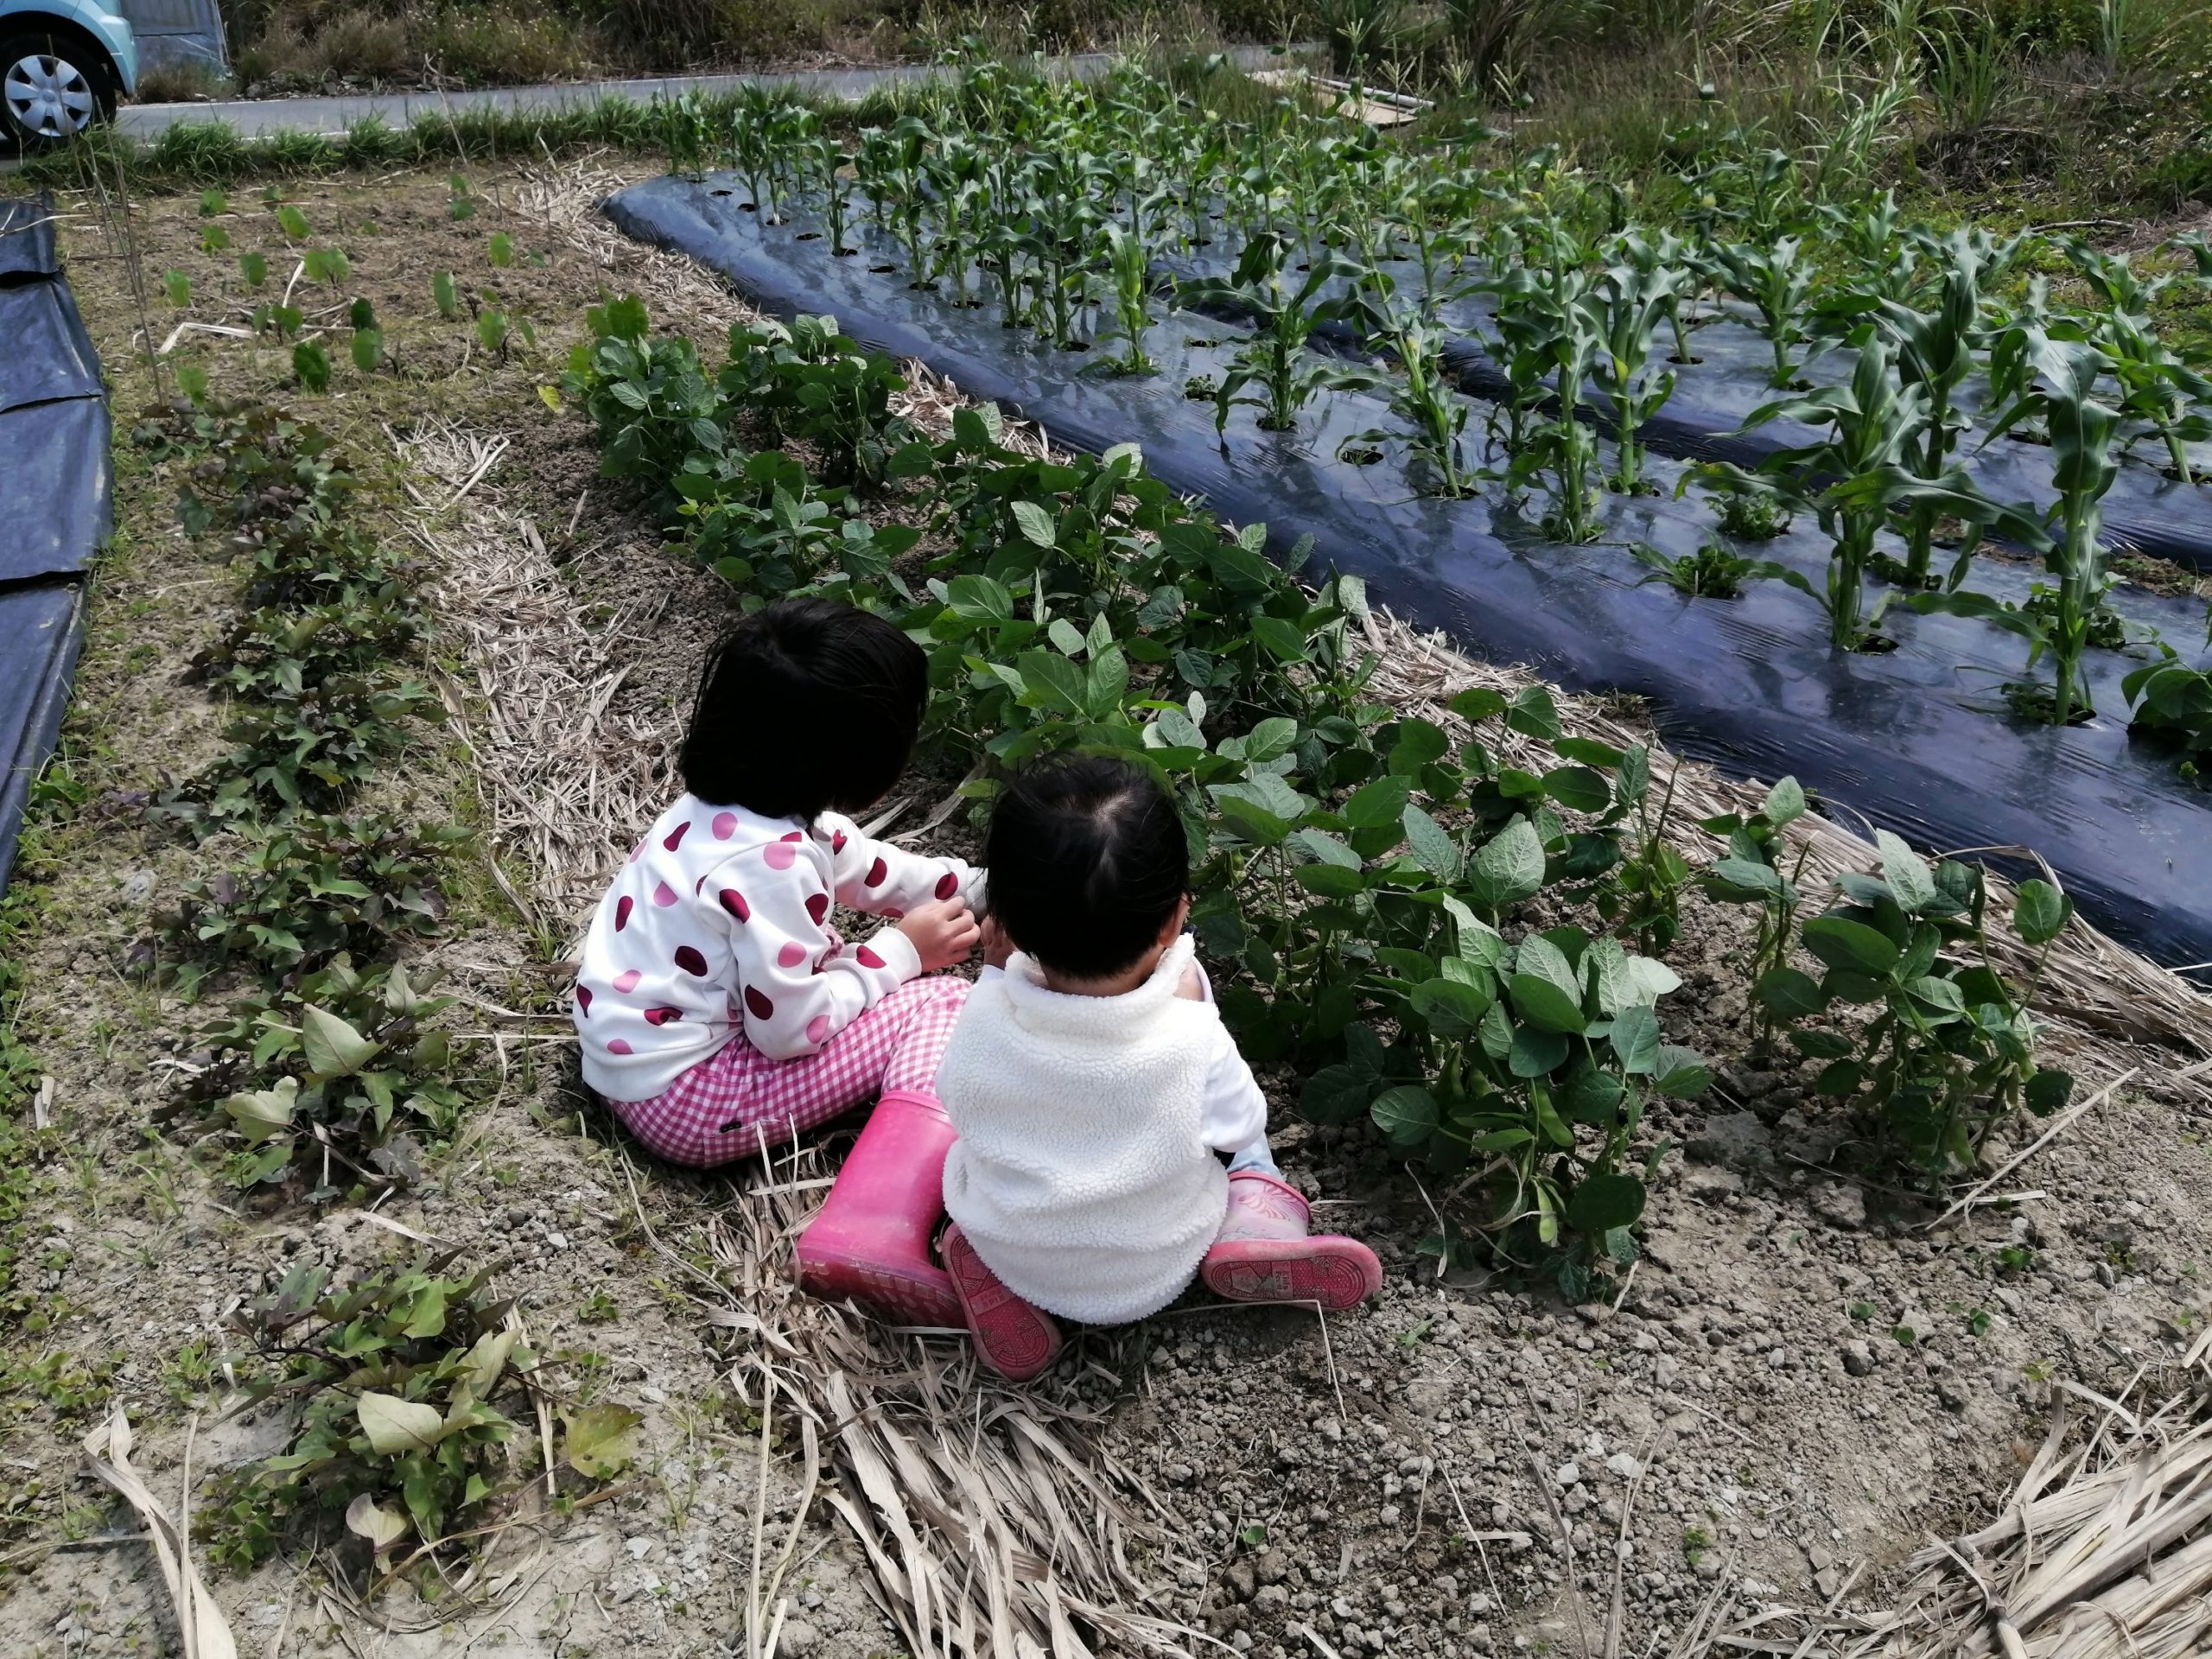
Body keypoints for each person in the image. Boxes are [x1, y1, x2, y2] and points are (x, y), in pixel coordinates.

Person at [935, 754, 1382, 1381]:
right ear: (1175, 917)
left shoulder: (982, 1009)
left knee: (971, 1159)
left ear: (1002, 924)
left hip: (1016, 1248)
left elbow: (955, 1099)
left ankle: (985, 1262)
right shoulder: (1190, 1032)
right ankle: (1258, 1221)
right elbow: (1238, 1123)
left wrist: (991, 974)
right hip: (1155, 1267)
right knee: (1247, 1148)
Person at [571, 599, 982, 1195]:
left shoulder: (732, 813)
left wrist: (987, 888)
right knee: (941, 1000)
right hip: (687, 1103)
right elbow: (791, 1034)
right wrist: (902, 954)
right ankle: (892, 1199)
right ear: (861, 757)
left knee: (852, 966)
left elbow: (873, 870)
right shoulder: (771, 865)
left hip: (630, 1065)